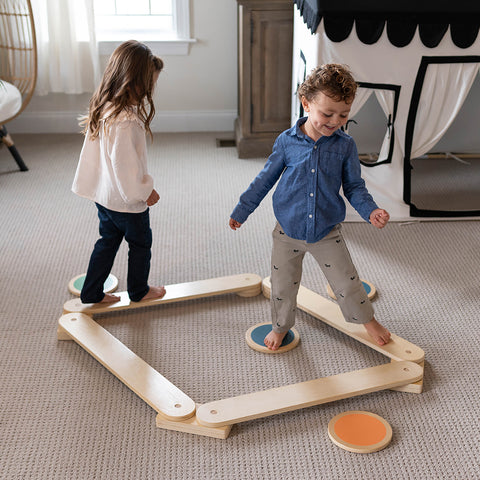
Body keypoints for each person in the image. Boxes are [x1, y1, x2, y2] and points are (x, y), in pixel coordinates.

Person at [229, 64, 391, 350]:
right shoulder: (287, 142)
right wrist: (243, 209)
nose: (335, 121)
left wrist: (371, 211)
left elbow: (354, 187)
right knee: (282, 286)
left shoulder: (346, 146)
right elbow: (264, 179)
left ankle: (368, 321)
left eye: (343, 115)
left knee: (346, 280)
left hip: (326, 230)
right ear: (306, 103)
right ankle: (280, 327)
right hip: (287, 231)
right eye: (327, 114)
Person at [72, 40, 166, 304]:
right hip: (127, 203)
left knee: (107, 242)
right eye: (149, 84)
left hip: (105, 198)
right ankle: (139, 290)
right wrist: (144, 191)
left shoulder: (106, 108)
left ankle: (91, 292)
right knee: (140, 244)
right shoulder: (126, 122)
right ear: (134, 82)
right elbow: (125, 167)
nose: (151, 91)